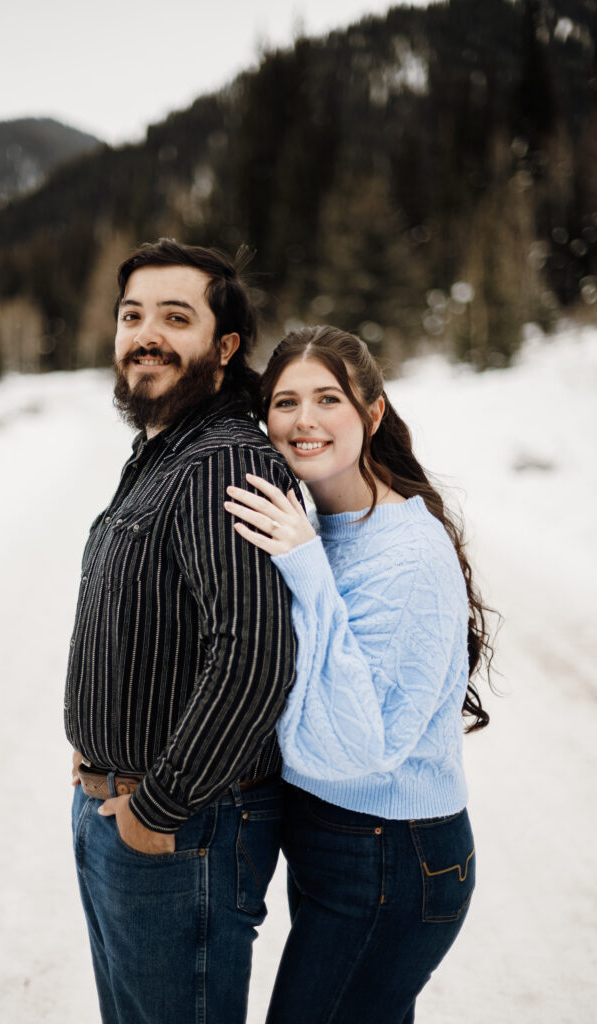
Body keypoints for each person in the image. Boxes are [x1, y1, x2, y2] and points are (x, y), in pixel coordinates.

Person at [225, 324, 492, 1024]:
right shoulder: (316, 522)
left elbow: (362, 748)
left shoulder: (405, 553)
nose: (303, 421)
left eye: (327, 399)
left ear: (372, 414)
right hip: (333, 843)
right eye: (284, 402)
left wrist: (306, 570)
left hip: (391, 854)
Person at [64, 239, 298, 1024]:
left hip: (184, 827)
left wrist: (155, 808)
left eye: (175, 316)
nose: (145, 334)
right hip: (125, 807)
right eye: (132, 315)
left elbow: (254, 656)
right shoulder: (164, 451)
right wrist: (100, 735)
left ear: (224, 347)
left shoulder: (222, 464)